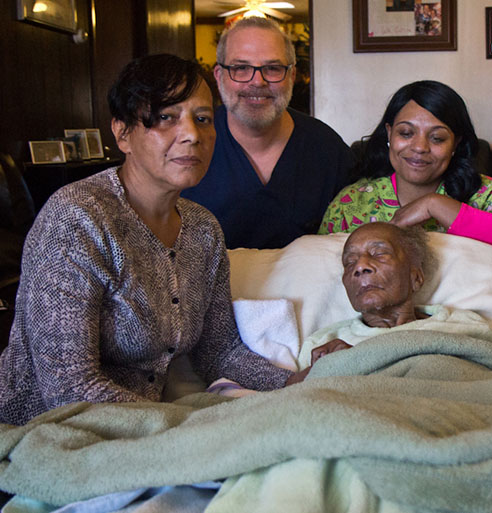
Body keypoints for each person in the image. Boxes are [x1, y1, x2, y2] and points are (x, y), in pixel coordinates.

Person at [0, 54, 299, 426]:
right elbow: (66, 386)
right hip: (46, 430)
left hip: (146, 430)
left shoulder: (203, 229)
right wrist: (179, 428)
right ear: (123, 133)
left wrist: (295, 382)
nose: (192, 134)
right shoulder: (77, 216)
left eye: (203, 119)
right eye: (165, 117)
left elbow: (218, 351)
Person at [182, 17, 354, 249]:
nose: (257, 81)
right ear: (219, 76)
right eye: (241, 68)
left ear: (292, 76)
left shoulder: (326, 149)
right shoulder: (187, 144)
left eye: (272, 69)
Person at [319, 80, 492, 259]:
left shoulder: (485, 193)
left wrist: (434, 205)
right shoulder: (352, 202)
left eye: (437, 138)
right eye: (406, 133)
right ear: (389, 134)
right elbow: (317, 264)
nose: (420, 147)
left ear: (456, 143)